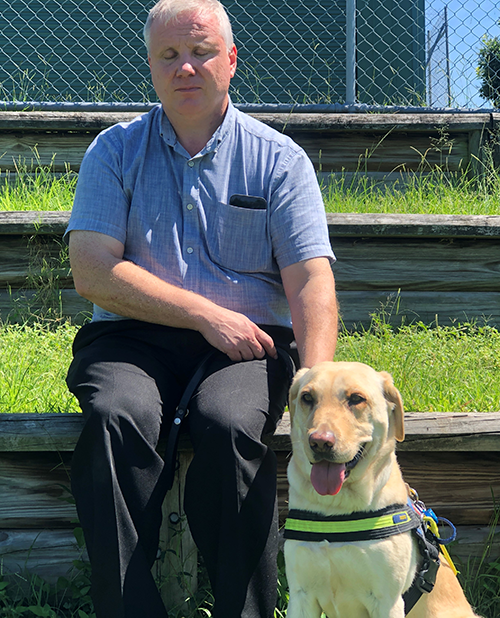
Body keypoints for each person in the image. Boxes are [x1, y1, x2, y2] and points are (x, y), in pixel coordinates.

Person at [65, 0, 338, 616]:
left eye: (201, 51)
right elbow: (92, 270)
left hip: (249, 343)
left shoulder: (279, 160)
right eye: (169, 55)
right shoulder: (113, 152)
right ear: (152, 66)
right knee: (115, 418)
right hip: (132, 338)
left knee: (230, 426)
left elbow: (311, 282)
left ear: (231, 60)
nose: (185, 67)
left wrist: (316, 387)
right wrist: (200, 314)